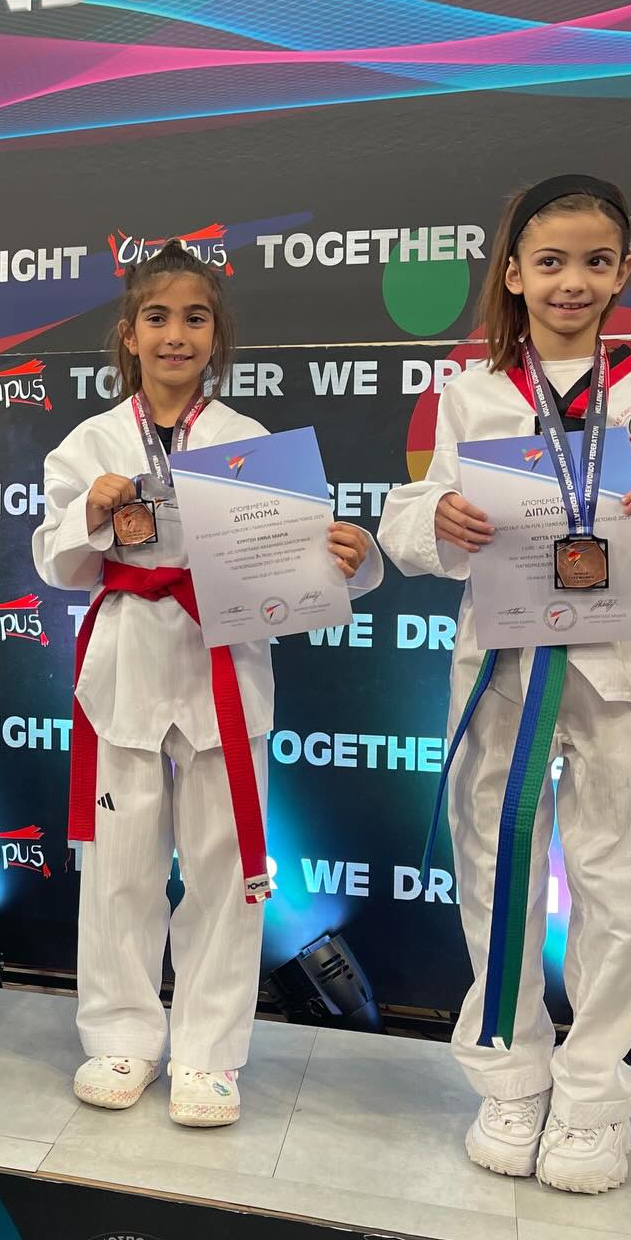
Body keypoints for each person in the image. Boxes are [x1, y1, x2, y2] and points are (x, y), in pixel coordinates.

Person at [380, 174, 631, 1193]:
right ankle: (511, 1078)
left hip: (619, 665)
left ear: (623, 271)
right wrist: (439, 522)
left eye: (596, 261)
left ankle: (593, 1098)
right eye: (550, 262)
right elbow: (412, 516)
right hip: (506, 664)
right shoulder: (472, 393)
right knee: (496, 870)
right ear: (512, 274)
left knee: (617, 883)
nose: (572, 282)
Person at [33, 241, 381, 1126]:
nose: (175, 334)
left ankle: (209, 1053)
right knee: (119, 867)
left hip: (223, 665)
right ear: (129, 334)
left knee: (227, 869)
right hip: (126, 664)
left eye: (194, 318)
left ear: (216, 335)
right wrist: (92, 512)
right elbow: (55, 560)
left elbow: (292, 569)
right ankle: (120, 1034)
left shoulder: (248, 443)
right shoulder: (91, 442)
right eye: (157, 317)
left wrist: (343, 558)